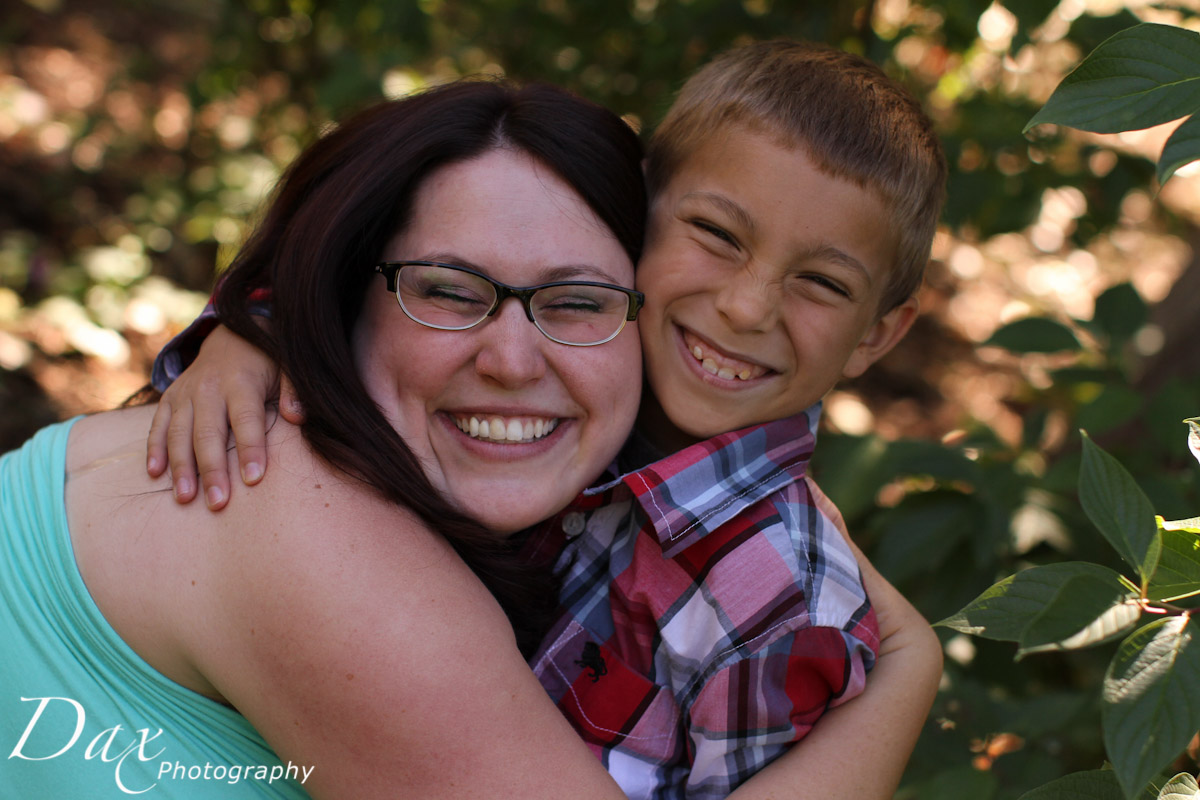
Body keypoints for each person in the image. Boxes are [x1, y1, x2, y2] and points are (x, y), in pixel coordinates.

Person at [144, 40, 946, 799]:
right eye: (714, 234)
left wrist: (911, 667)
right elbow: (366, 290)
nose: (744, 306)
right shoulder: (563, 392)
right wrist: (251, 336)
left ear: (877, 333)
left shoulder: (778, 606)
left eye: (823, 284)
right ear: (634, 214)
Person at [2, 78, 648, 798]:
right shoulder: (315, 533)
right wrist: (806, 765)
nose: (512, 362)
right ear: (342, 294)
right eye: (448, 291)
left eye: (581, 303)